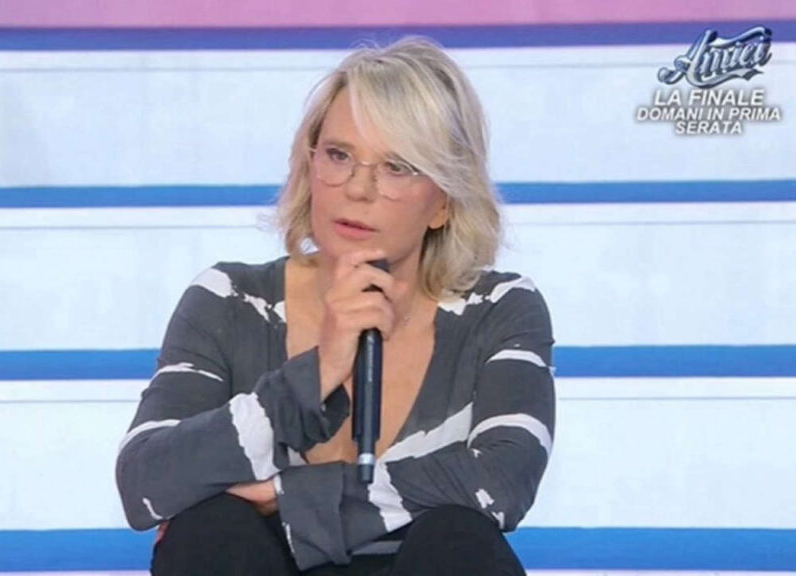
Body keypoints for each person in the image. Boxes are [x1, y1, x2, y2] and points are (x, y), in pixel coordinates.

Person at [116, 36, 556, 576]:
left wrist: (287, 497)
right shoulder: (231, 299)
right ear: (309, 164)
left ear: (443, 201)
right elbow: (145, 482)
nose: (358, 189)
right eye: (339, 156)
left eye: (397, 167)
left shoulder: (499, 307)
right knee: (208, 532)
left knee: (458, 538)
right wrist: (319, 371)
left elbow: (504, 482)